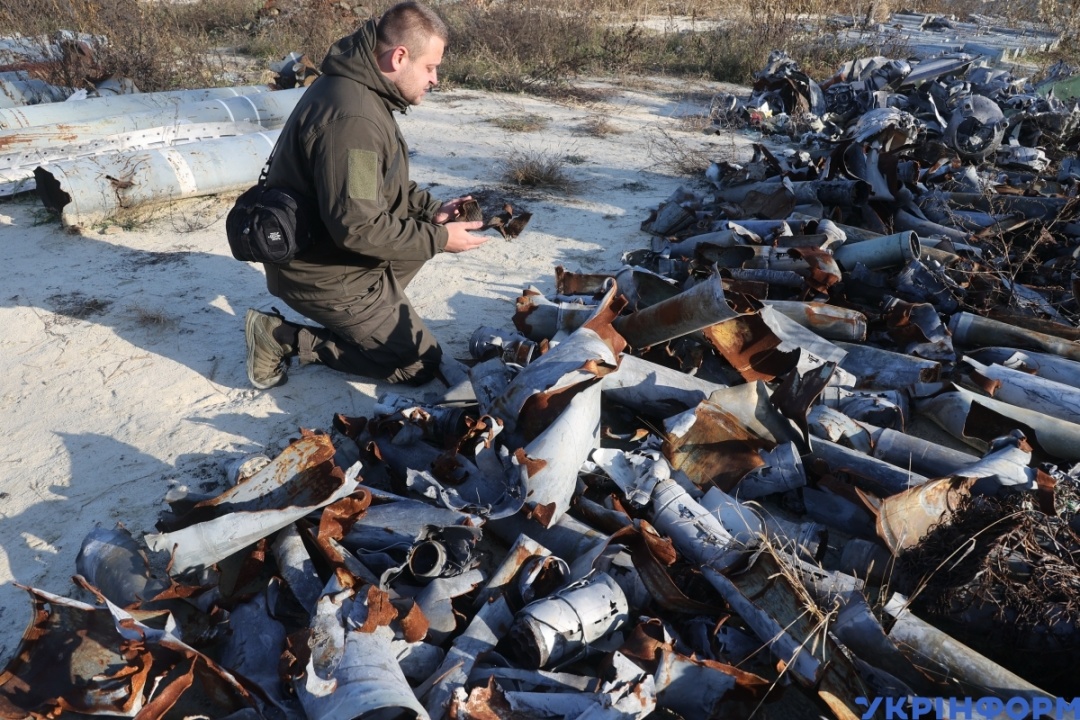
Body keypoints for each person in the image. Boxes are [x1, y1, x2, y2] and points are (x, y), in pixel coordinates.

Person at [244, 1, 488, 389]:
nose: (435, 79)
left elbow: (376, 184)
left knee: (421, 233)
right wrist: (441, 239)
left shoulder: (360, 88)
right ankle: (279, 336)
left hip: (331, 252)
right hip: (324, 271)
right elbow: (357, 227)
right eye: (430, 67)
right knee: (418, 365)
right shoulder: (354, 118)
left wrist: (431, 211)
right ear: (399, 56)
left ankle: (369, 315)